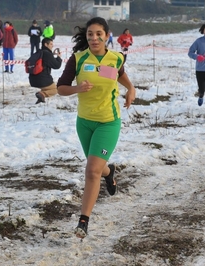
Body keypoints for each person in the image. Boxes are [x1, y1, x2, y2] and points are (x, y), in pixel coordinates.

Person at [56, 17, 136, 239]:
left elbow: (118, 75)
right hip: (84, 122)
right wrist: (77, 89)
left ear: (107, 35)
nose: (94, 38)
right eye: (90, 34)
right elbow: (60, 88)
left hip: (108, 121)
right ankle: (109, 174)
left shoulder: (116, 58)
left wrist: (131, 88)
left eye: (99, 34)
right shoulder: (78, 59)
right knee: (97, 168)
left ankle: (83, 221)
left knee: (91, 171)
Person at [29, 38, 62, 104]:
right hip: (42, 79)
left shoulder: (38, 52)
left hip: (32, 79)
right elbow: (57, 65)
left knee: (46, 88)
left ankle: (41, 99)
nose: (52, 46)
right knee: (56, 90)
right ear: (45, 44)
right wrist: (59, 58)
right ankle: (42, 94)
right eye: (51, 44)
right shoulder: (47, 54)